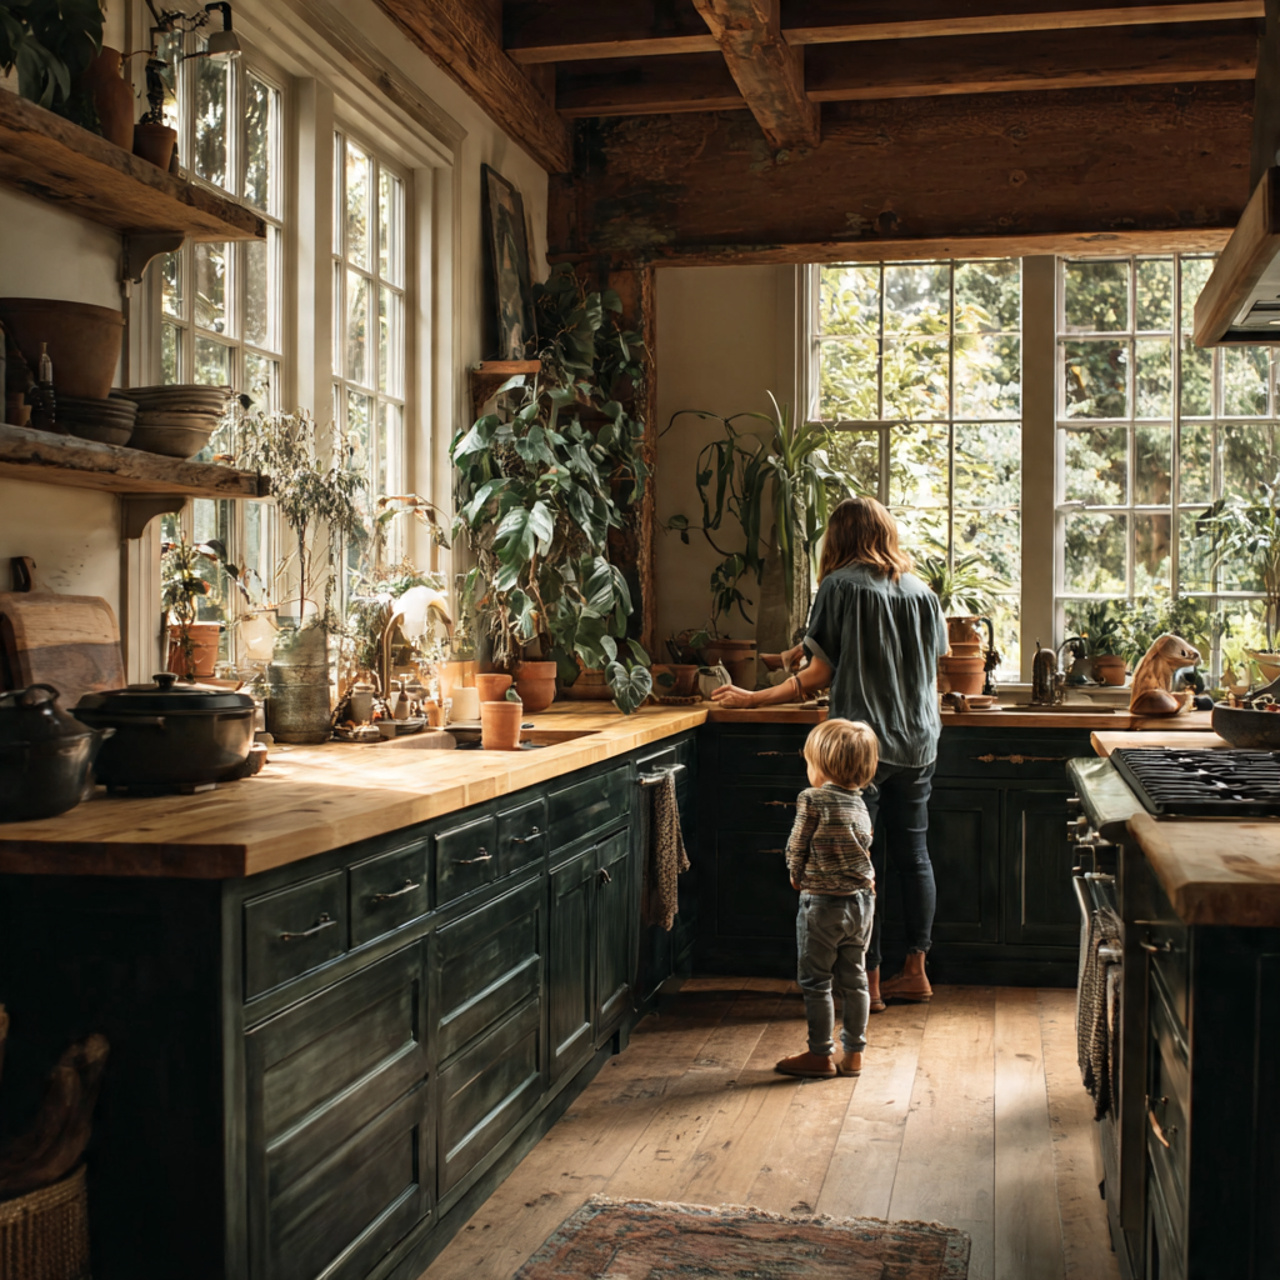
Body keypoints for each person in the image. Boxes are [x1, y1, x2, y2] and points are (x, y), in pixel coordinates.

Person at [711, 496, 948, 1010]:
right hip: (919, 743)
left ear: (837, 540)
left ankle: (873, 983)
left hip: (860, 749)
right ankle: (917, 971)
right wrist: (801, 652)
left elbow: (820, 677)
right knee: (915, 855)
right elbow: (926, 666)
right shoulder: (922, 592)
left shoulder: (838, 586)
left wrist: (753, 698)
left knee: (863, 862)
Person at [773, 717, 878, 1080]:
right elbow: (862, 845)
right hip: (862, 902)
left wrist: (795, 872)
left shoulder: (812, 798)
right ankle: (854, 1056)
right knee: (856, 980)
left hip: (822, 904)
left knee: (817, 982)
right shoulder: (861, 802)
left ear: (822, 765)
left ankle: (819, 1055)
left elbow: (797, 843)